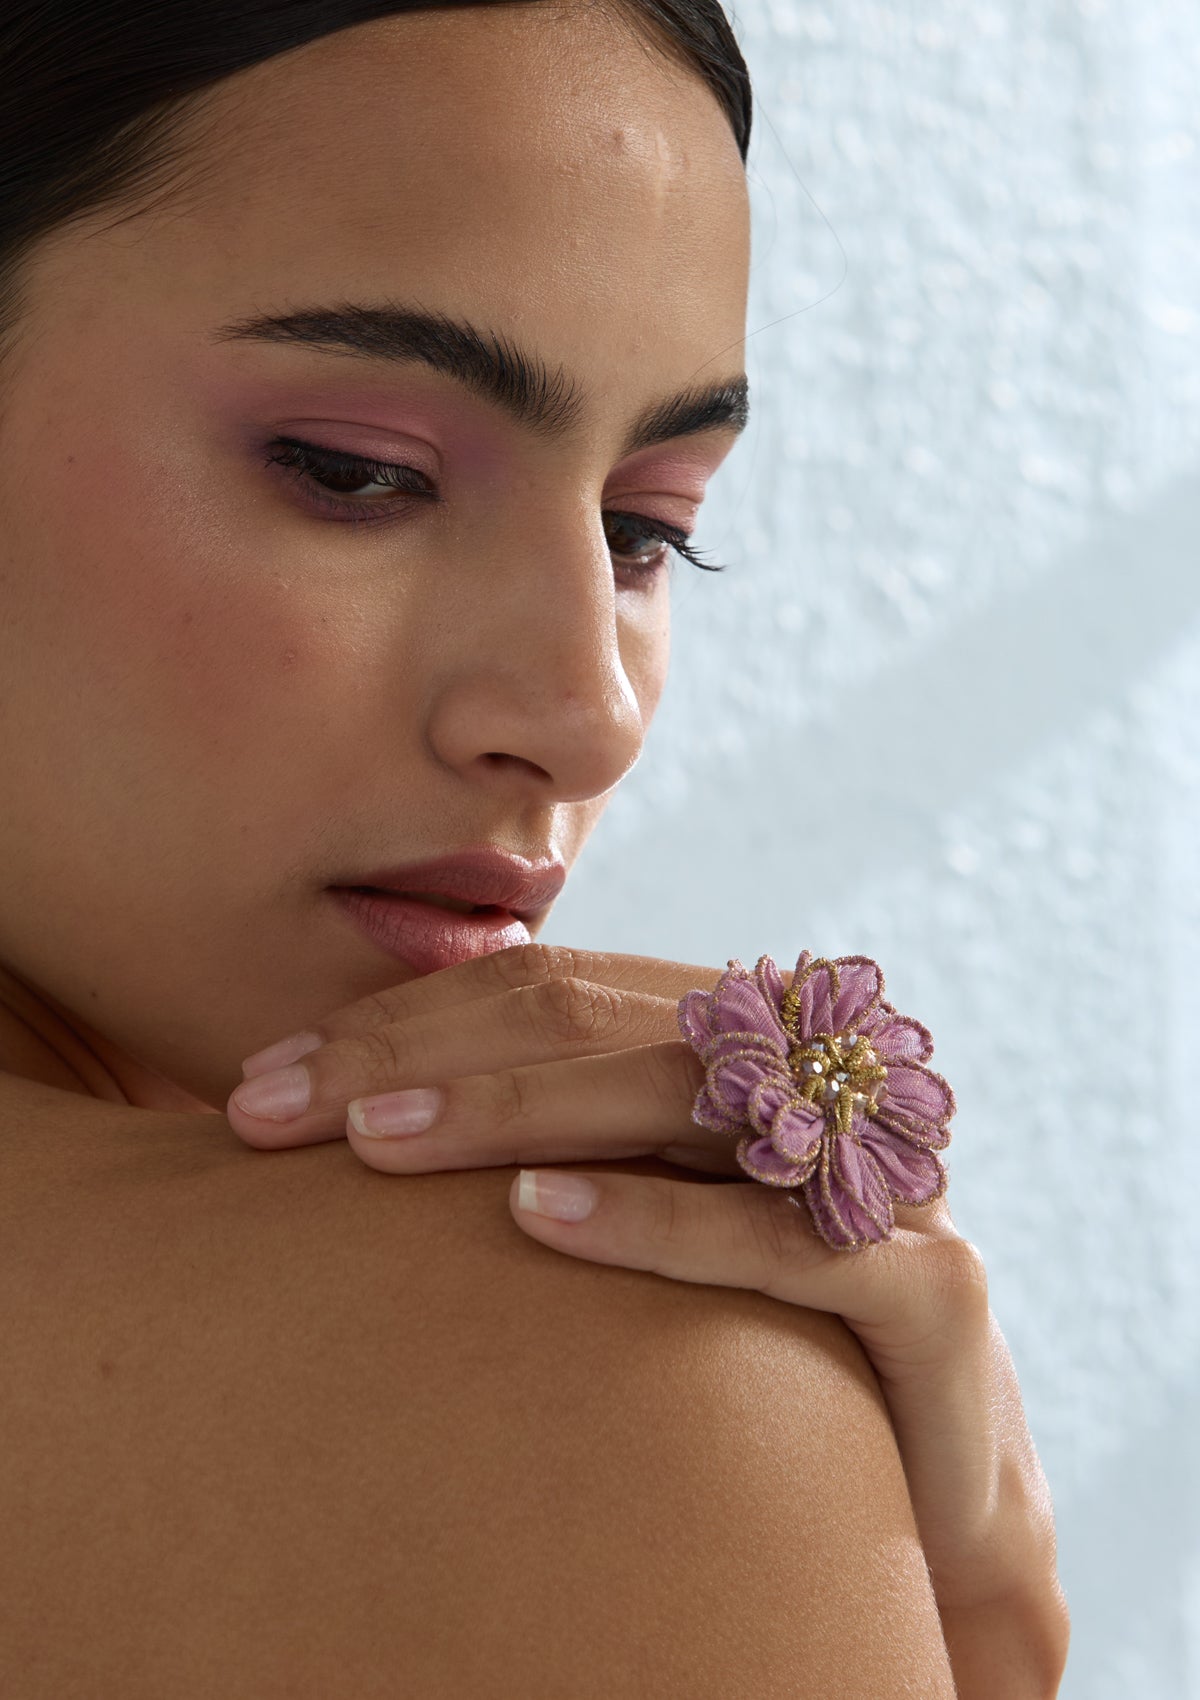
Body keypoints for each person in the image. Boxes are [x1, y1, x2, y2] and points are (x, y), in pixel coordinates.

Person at [0, 2, 1068, 1694]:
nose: (588, 715)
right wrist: (987, 1618)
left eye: (649, 532)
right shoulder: (602, 1371)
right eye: (356, 474)